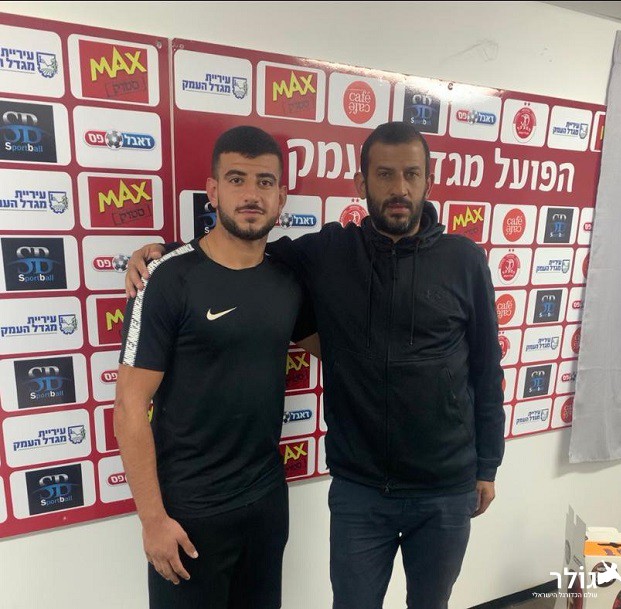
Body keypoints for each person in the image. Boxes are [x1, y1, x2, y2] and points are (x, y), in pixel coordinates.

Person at [126, 121, 505, 609]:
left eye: (412, 174)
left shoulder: (464, 260)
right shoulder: (327, 253)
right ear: (361, 183)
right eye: (385, 174)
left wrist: (487, 463)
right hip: (355, 492)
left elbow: (486, 368)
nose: (399, 188)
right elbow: (236, 250)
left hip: (439, 489)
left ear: (428, 182)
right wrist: (162, 254)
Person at [114, 125, 317, 609]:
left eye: (265, 182)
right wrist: (152, 520)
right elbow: (128, 405)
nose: (251, 195)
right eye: (237, 179)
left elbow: (341, 350)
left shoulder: (288, 280)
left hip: (266, 504)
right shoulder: (168, 278)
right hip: (189, 515)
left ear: (281, 196)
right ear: (213, 190)